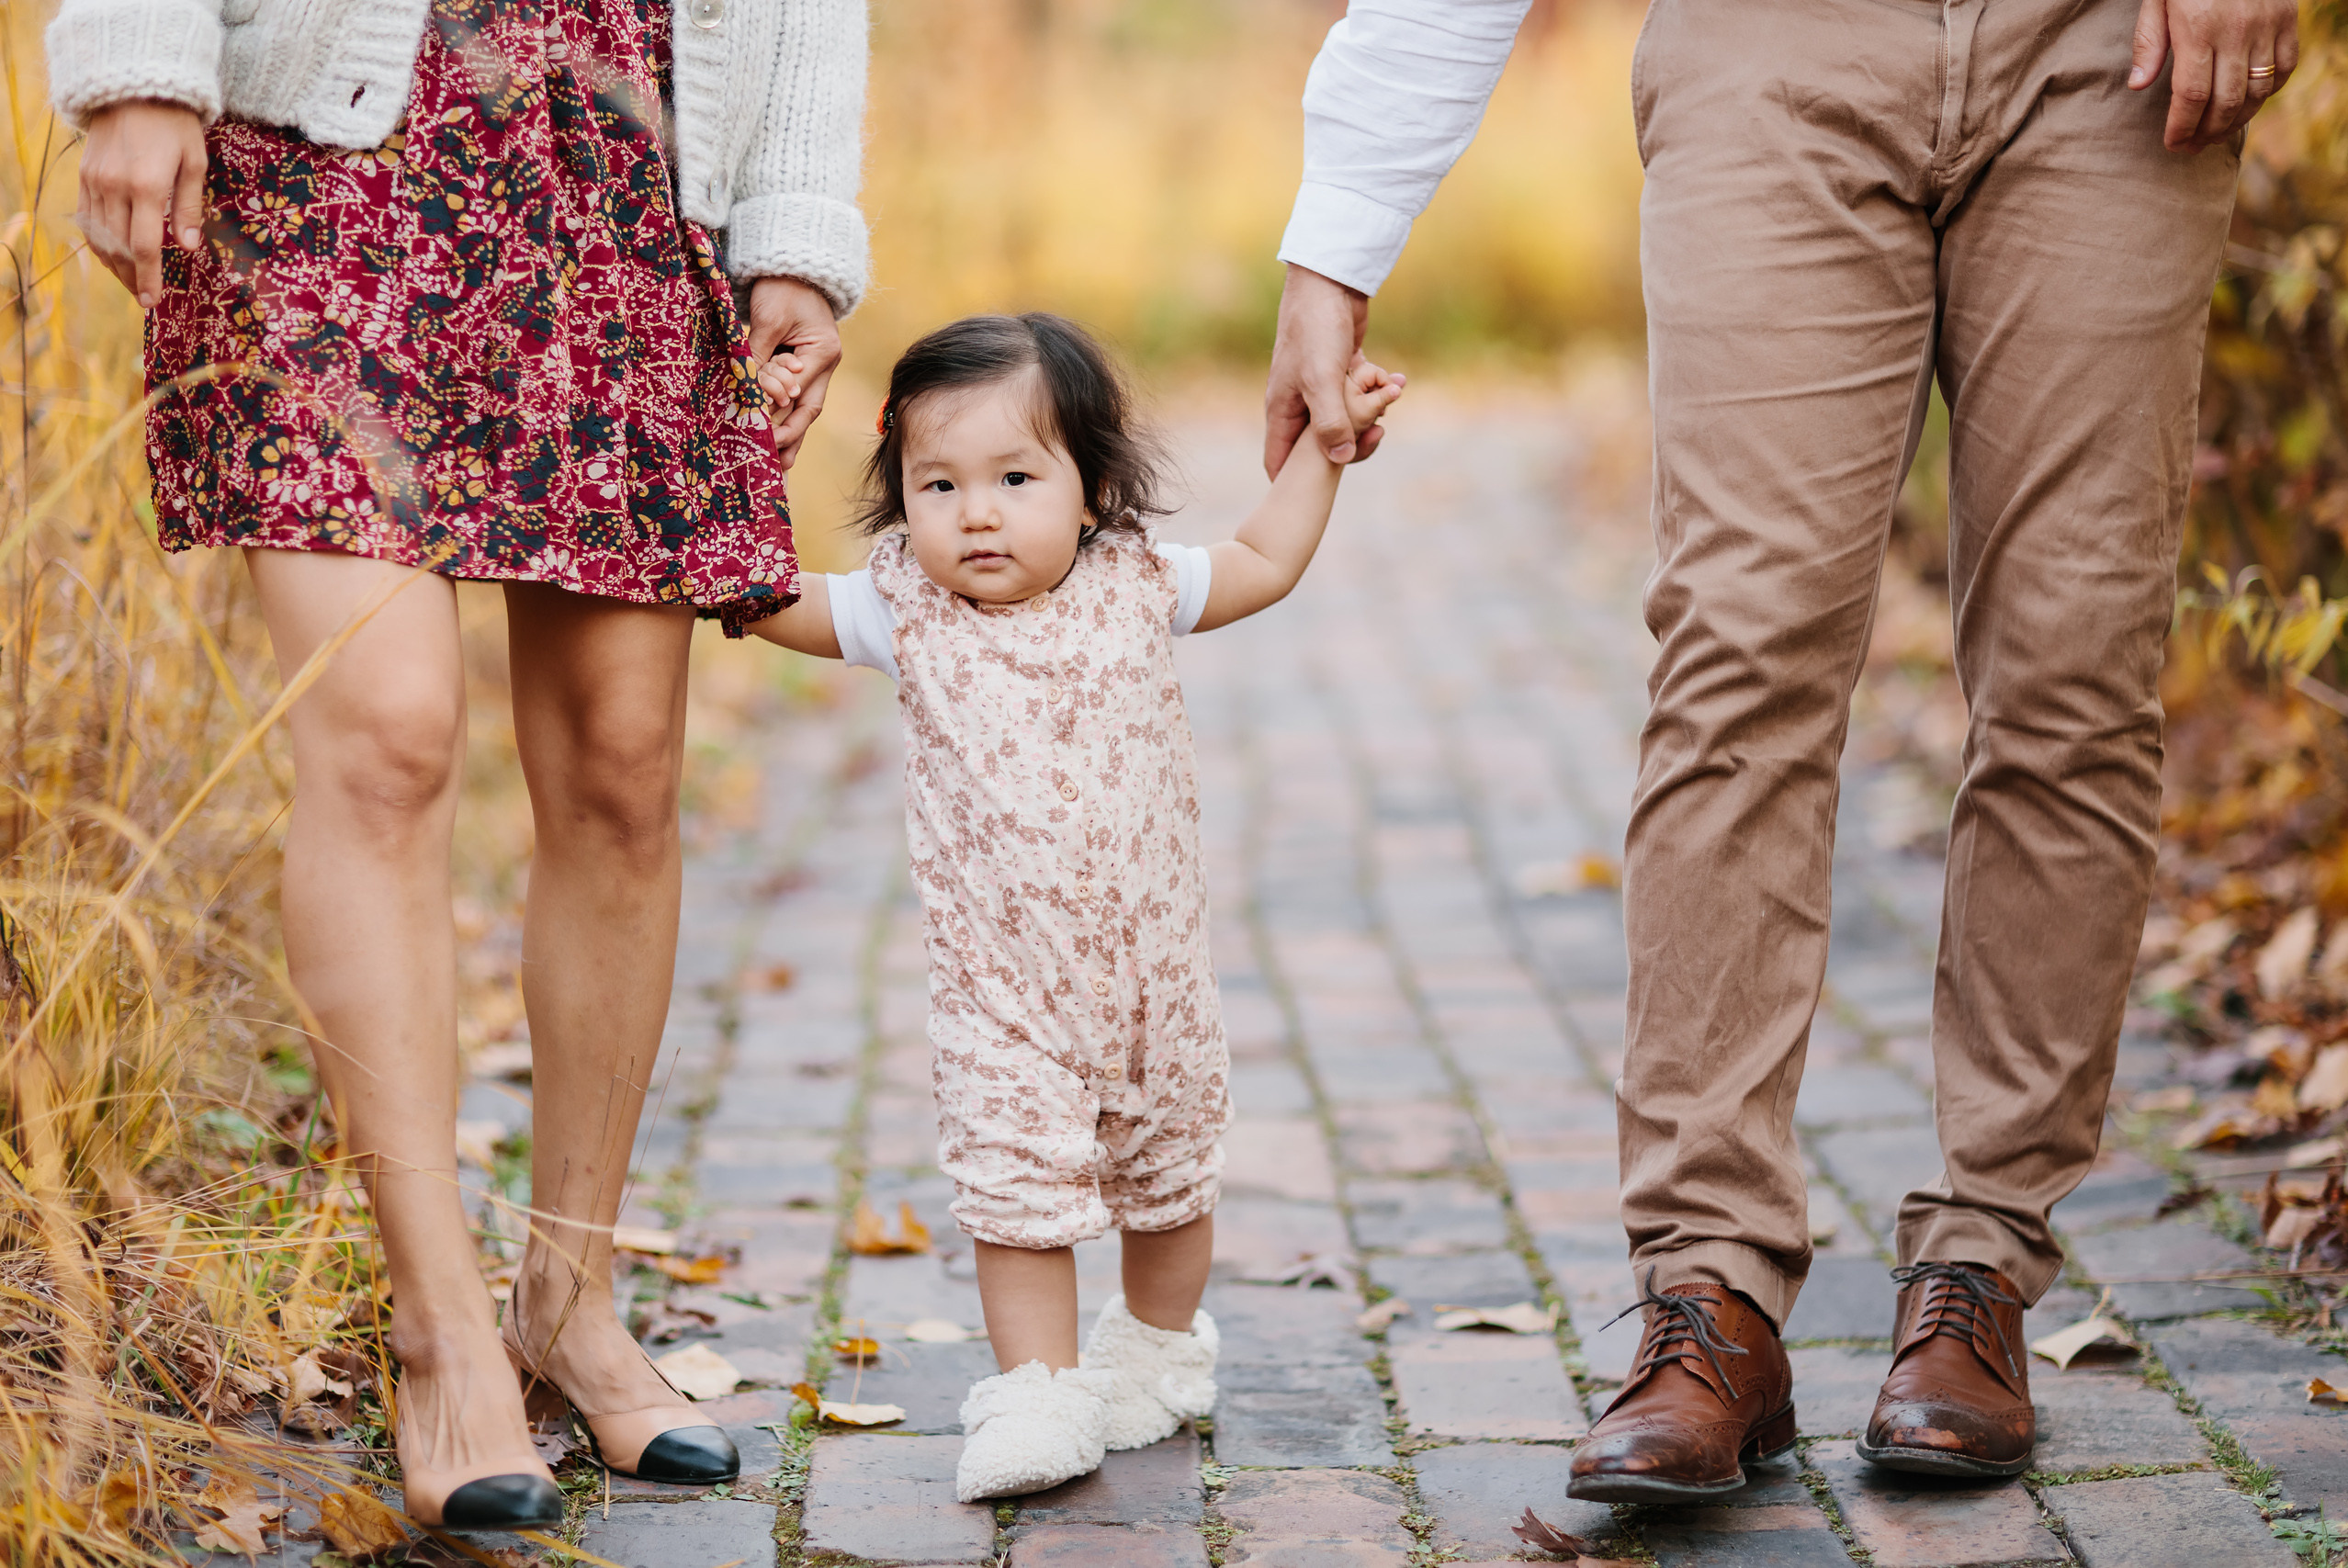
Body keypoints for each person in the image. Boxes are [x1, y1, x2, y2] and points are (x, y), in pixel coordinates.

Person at [1263, 0, 2297, 1499]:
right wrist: (1338, 236)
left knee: (2076, 660)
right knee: (1739, 656)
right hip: (1774, 49)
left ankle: (1981, 1274)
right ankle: (1710, 1303)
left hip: (2110, 54)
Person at [46, 0, 867, 1530]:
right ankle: (440, 1336)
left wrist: (801, 220)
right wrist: (140, 63)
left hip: (625, 154)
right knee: (385, 739)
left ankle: (568, 1300)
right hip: (330, 162)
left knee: (623, 765)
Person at [749, 312, 1402, 1500]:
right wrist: (731, 487)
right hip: (1001, 991)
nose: (976, 512)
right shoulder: (904, 606)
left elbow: (1263, 561)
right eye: (935, 484)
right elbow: (761, 599)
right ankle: (1037, 1391)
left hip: (1152, 978)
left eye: (1013, 477)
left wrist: (1325, 448)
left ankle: (1156, 1351)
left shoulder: (1137, 582)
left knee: (1169, 1175)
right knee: (1016, 1191)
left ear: (1093, 491)